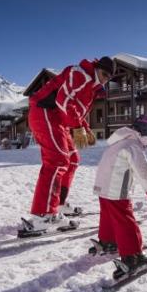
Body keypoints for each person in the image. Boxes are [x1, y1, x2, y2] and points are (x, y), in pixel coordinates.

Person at [22, 57, 114, 233]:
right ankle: (43, 215)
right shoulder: (81, 74)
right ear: (97, 68)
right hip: (45, 113)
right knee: (57, 160)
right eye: (104, 74)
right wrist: (78, 128)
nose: (105, 79)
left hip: (60, 120)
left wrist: (85, 129)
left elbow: (76, 110)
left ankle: (59, 205)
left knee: (72, 159)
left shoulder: (92, 87)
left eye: (109, 78)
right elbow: (63, 100)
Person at [92, 114, 147, 278]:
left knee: (109, 216)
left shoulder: (119, 142)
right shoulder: (133, 144)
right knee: (126, 220)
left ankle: (108, 241)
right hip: (116, 190)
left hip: (103, 187)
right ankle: (133, 257)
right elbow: (143, 171)